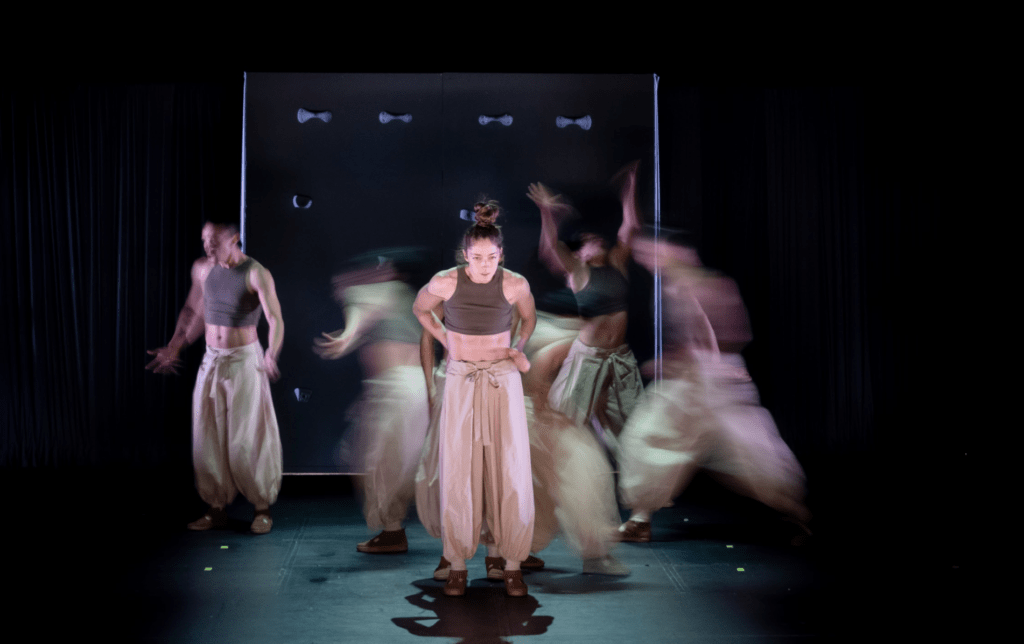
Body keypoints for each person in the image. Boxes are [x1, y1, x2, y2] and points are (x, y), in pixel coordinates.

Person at [617, 237, 811, 543]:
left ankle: (795, 512)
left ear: (682, 253)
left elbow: (736, 335)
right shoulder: (670, 288)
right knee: (647, 436)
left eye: (656, 253)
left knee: (750, 455)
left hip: (718, 382)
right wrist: (678, 361)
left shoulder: (714, 286)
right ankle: (640, 519)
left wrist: (697, 360)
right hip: (686, 384)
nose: (651, 261)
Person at [412, 200, 536, 597]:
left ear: (502, 255)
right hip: (462, 376)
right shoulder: (445, 281)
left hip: (502, 377)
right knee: (459, 469)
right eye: (478, 257)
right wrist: (446, 338)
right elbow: (420, 309)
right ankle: (457, 563)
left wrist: (519, 347)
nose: (485, 265)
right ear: (465, 255)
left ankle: (510, 562)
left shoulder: (514, 284)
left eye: (492, 257)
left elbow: (529, 318)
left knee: (510, 467)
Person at [146, 221, 284, 535]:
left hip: (244, 360)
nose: (208, 246)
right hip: (212, 359)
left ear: (234, 239)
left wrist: (271, 354)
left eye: (214, 240)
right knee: (206, 435)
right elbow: (193, 311)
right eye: (204, 239)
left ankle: (261, 508)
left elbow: (275, 319)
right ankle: (216, 507)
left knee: (245, 438)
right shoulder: (202, 268)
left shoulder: (255, 272)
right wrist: (174, 346)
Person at [314, 251, 429, 554]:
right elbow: (361, 324)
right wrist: (348, 338)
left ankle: (396, 531)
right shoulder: (404, 298)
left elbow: (360, 317)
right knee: (382, 464)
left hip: (401, 390)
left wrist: (347, 335)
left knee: (382, 464)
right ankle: (393, 531)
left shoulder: (382, 292)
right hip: (402, 390)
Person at [528, 161, 644, 459]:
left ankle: (627, 470)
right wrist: (546, 212)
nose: (598, 241)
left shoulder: (616, 263)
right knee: (566, 418)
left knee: (631, 423)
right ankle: (554, 466)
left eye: (598, 238)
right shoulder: (578, 272)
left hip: (619, 359)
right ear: (580, 253)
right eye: (590, 240)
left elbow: (631, 228)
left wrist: (629, 189)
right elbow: (550, 248)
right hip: (588, 358)